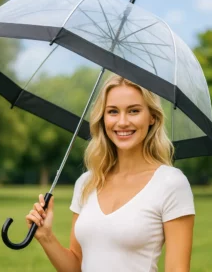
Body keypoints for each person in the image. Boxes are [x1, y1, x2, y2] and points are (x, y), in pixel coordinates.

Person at [26, 75, 195, 272]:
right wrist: (46, 236)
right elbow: (76, 266)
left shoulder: (171, 183)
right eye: (113, 111)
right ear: (102, 118)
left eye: (134, 111)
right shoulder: (86, 182)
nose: (122, 122)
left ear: (152, 117)